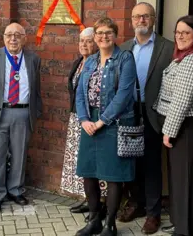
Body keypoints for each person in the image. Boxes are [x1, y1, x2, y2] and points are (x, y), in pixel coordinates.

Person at [74, 18, 136, 236]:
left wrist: (102, 121)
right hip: (89, 122)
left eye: (108, 32)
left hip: (113, 124)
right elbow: (80, 93)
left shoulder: (125, 59)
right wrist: (84, 120)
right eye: (99, 33)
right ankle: (94, 220)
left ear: (115, 35)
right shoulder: (90, 62)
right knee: (88, 173)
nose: (103, 36)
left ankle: (110, 224)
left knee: (113, 176)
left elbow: (124, 95)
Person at [154, 15, 193, 236]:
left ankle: (186, 229)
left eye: (185, 32)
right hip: (178, 125)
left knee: (186, 179)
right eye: (177, 32)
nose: (179, 36)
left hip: (185, 127)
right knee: (178, 178)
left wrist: (169, 130)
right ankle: (181, 222)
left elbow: (182, 98)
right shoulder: (183, 56)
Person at [119, 2, 174, 234]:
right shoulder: (123, 48)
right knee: (131, 162)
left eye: (146, 16)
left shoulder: (168, 48)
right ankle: (136, 203)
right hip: (129, 112)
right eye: (137, 17)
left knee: (152, 164)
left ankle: (153, 214)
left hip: (153, 112)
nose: (141, 20)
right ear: (131, 20)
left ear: (153, 19)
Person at [0, 22, 42, 212]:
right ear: (4, 37)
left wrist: (36, 111)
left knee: (19, 154)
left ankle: (16, 190)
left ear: (24, 38)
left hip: (23, 113)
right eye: (9, 35)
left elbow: (36, 88)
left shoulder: (33, 59)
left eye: (17, 35)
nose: (13, 39)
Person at [61, 27, 106, 218]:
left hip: (93, 120)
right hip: (77, 118)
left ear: (96, 42)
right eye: (81, 41)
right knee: (81, 162)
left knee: (95, 161)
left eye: (88, 41)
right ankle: (88, 200)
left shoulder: (99, 64)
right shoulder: (79, 62)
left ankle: (101, 204)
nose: (84, 45)